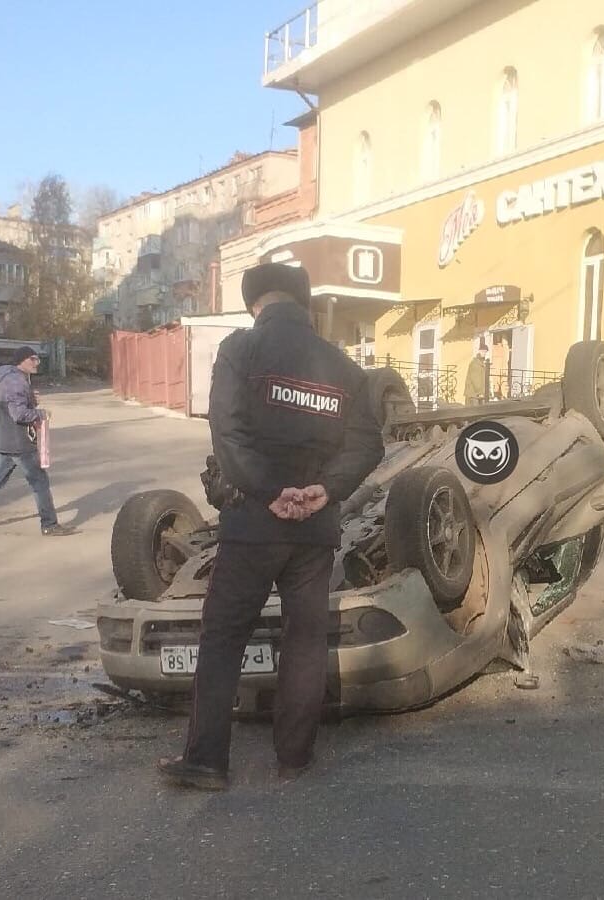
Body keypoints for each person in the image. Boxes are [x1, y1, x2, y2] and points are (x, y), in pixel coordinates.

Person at [157, 262, 384, 790]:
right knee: (305, 640)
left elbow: (228, 435)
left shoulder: (240, 350)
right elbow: (367, 445)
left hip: (254, 524)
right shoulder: (344, 367)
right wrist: (325, 489)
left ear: (255, 305)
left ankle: (207, 761)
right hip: (315, 526)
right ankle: (294, 759)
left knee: (223, 637)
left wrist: (269, 492)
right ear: (304, 305)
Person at [0, 347, 77, 536]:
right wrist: (41, 413)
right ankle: (50, 525)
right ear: (21, 360)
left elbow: (14, 406)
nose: (37, 362)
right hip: (18, 442)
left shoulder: (13, 377)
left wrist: (32, 401)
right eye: (33, 359)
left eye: (37, 359)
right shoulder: (16, 381)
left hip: (6, 439)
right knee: (39, 482)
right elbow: (19, 414)